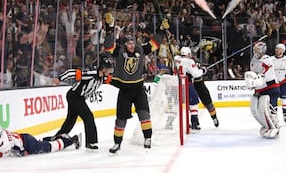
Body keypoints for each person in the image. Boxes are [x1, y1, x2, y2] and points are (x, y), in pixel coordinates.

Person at [104, 12, 161, 154]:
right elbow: (108, 45)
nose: (131, 45)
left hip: (138, 89)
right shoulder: (119, 51)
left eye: (133, 43)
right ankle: (117, 143)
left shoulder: (140, 50)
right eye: (129, 43)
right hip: (125, 91)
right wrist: (109, 28)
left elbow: (155, 44)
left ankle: (147, 138)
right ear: (124, 45)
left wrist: (161, 30)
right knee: (121, 120)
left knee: (144, 115)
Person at [42, 58, 114, 151]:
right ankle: (91, 143)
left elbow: (113, 80)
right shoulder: (91, 73)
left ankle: (57, 138)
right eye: (109, 70)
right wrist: (59, 79)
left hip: (79, 98)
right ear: (103, 68)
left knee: (71, 119)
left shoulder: (103, 77)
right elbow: (72, 72)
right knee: (88, 117)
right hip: (74, 96)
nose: (110, 72)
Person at [0, 123, 81, 158]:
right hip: (26, 138)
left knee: (50, 147)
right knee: (41, 142)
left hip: (28, 146)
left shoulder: (4, 143)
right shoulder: (1, 133)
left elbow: (3, 154)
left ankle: (72, 140)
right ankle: (60, 136)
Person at [244, 41, 280, 138]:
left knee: (270, 110)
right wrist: (251, 82)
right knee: (256, 110)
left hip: (270, 88)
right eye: (255, 49)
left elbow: (268, 75)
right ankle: (266, 126)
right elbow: (253, 74)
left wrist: (258, 81)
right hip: (260, 89)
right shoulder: (253, 60)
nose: (256, 51)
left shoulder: (267, 59)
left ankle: (275, 127)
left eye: (258, 49)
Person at [174, 47, 203, 131]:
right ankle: (194, 122)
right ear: (188, 54)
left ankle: (195, 121)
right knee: (194, 103)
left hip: (178, 84)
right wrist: (202, 70)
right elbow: (196, 74)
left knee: (188, 104)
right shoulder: (189, 61)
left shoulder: (177, 60)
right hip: (187, 84)